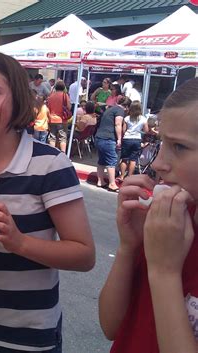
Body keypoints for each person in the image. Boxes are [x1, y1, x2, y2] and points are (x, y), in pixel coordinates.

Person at [0, 51, 95, 353]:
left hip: (24, 339)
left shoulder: (50, 165)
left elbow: (84, 256)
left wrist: (18, 242)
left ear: (17, 97)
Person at [98, 77, 198, 353]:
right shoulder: (172, 222)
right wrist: (129, 247)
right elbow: (111, 326)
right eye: (162, 142)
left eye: (179, 147)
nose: (159, 163)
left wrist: (165, 272)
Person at [94, 96, 131, 192]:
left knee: (102, 160)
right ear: (126, 106)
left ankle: (100, 181)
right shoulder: (120, 111)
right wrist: (119, 139)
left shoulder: (110, 109)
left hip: (99, 137)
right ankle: (112, 184)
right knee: (112, 160)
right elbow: (118, 124)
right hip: (108, 138)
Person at [118, 100, 148, 181]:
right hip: (137, 139)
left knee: (124, 159)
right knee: (133, 159)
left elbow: (124, 130)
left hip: (127, 139)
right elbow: (146, 130)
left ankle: (122, 176)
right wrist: (139, 131)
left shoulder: (127, 118)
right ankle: (129, 177)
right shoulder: (143, 119)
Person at [47, 80, 71, 153]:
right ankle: (63, 153)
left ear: (55, 87)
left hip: (52, 119)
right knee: (63, 137)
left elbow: (48, 107)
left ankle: (52, 153)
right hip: (62, 119)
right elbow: (69, 107)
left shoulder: (51, 95)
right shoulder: (65, 95)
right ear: (64, 87)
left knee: (52, 137)